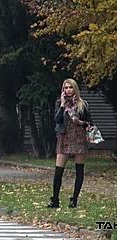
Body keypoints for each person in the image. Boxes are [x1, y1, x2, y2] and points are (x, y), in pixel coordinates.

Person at [47, 78, 92, 208]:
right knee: (58, 171)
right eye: (65, 88)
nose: (68, 90)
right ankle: (55, 199)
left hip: (79, 138)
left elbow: (89, 122)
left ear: (75, 89)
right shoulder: (59, 103)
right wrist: (62, 105)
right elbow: (57, 119)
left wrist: (81, 122)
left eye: (70, 87)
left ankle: (74, 199)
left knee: (79, 170)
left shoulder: (82, 104)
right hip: (64, 138)